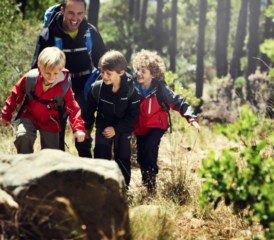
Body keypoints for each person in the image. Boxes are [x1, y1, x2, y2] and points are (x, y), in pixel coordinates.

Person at [31, 0, 107, 157]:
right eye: (71, 13)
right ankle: (59, 171)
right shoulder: (49, 35)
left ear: (84, 13)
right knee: (55, 131)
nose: (75, 18)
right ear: (62, 10)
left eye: (80, 13)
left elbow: (104, 60)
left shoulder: (90, 32)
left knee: (83, 129)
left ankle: (86, 168)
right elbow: (36, 67)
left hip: (84, 87)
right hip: (57, 86)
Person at [132, 49, 201, 193]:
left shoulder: (160, 88)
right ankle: (146, 182)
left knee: (150, 148)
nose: (139, 73)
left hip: (157, 126)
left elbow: (179, 102)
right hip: (140, 127)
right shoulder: (132, 87)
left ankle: (151, 185)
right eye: (137, 69)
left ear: (153, 73)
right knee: (141, 156)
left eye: (143, 70)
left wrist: (191, 118)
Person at [1, 47, 86, 154]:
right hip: (30, 115)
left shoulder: (64, 86)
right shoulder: (31, 78)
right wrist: (6, 115)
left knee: (51, 153)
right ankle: (25, 165)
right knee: (23, 137)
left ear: (61, 68)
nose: (51, 77)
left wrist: (78, 129)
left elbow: (73, 107)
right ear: (39, 67)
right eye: (47, 73)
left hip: (51, 120)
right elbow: (15, 95)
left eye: (56, 73)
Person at [83, 50, 140, 188]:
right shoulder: (97, 88)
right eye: (102, 72)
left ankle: (123, 189)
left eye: (109, 73)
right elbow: (90, 110)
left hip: (123, 127)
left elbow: (133, 117)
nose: (104, 76)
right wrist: (87, 129)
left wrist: (116, 129)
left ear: (120, 72)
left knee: (123, 157)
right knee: (101, 155)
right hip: (103, 124)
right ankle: (100, 187)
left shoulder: (131, 91)